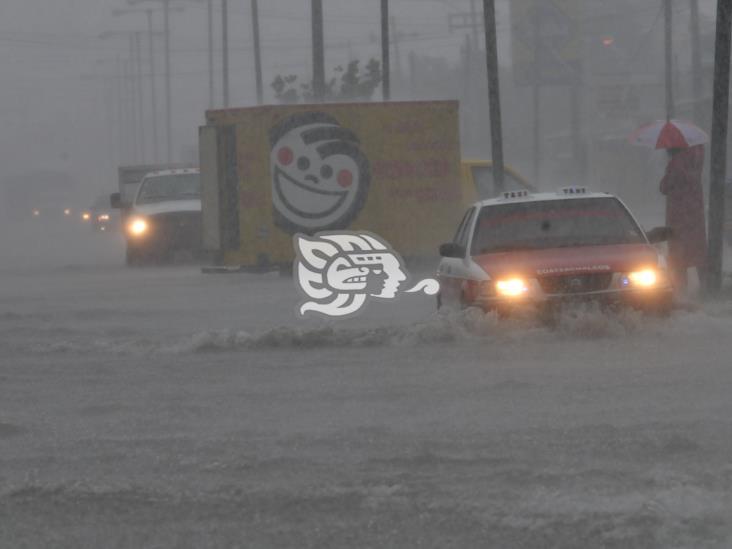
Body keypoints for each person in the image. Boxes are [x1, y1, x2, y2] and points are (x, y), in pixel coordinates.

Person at [659, 145, 707, 292]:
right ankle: (707, 290)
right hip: (695, 216)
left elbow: (664, 187)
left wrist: (666, 175)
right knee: (698, 254)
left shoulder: (676, 164)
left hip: (678, 217)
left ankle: (681, 293)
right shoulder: (696, 161)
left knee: (679, 258)